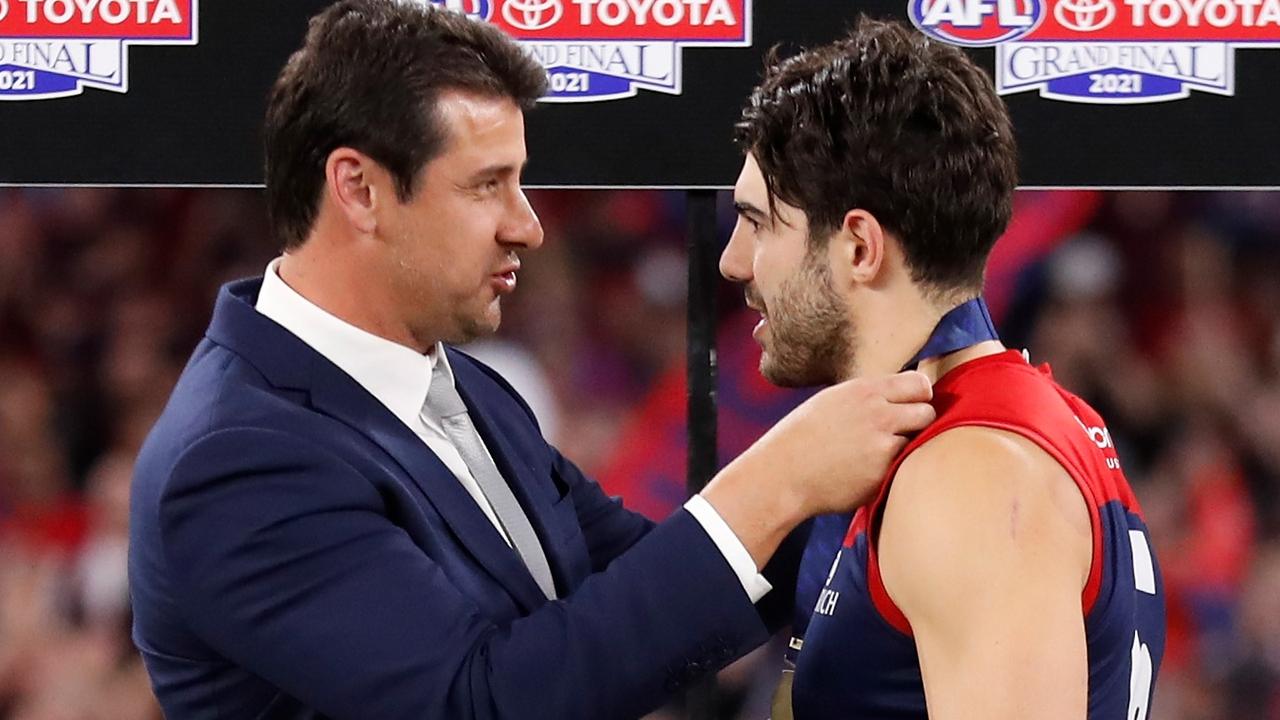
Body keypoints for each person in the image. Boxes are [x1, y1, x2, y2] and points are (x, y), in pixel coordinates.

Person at [126, 2, 937, 719]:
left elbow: (633, 587)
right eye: (488, 186)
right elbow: (480, 702)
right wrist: (779, 481)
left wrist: (902, 497)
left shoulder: (457, 382)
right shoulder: (237, 462)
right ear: (360, 190)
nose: (528, 225)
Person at [720, 18, 1166, 720]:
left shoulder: (973, 475)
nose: (735, 262)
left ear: (860, 247)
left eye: (760, 222)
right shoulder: (988, 428)